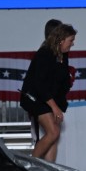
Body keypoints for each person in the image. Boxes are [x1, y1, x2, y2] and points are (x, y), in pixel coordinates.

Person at [20, 22, 77, 161]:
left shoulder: (63, 55)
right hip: (36, 98)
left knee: (53, 136)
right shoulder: (44, 54)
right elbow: (40, 85)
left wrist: (60, 104)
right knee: (53, 132)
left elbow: (60, 82)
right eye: (71, 40)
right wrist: (54, 107)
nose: (73, 44)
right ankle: (31, 166)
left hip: (49, 99)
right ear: (61, 40)